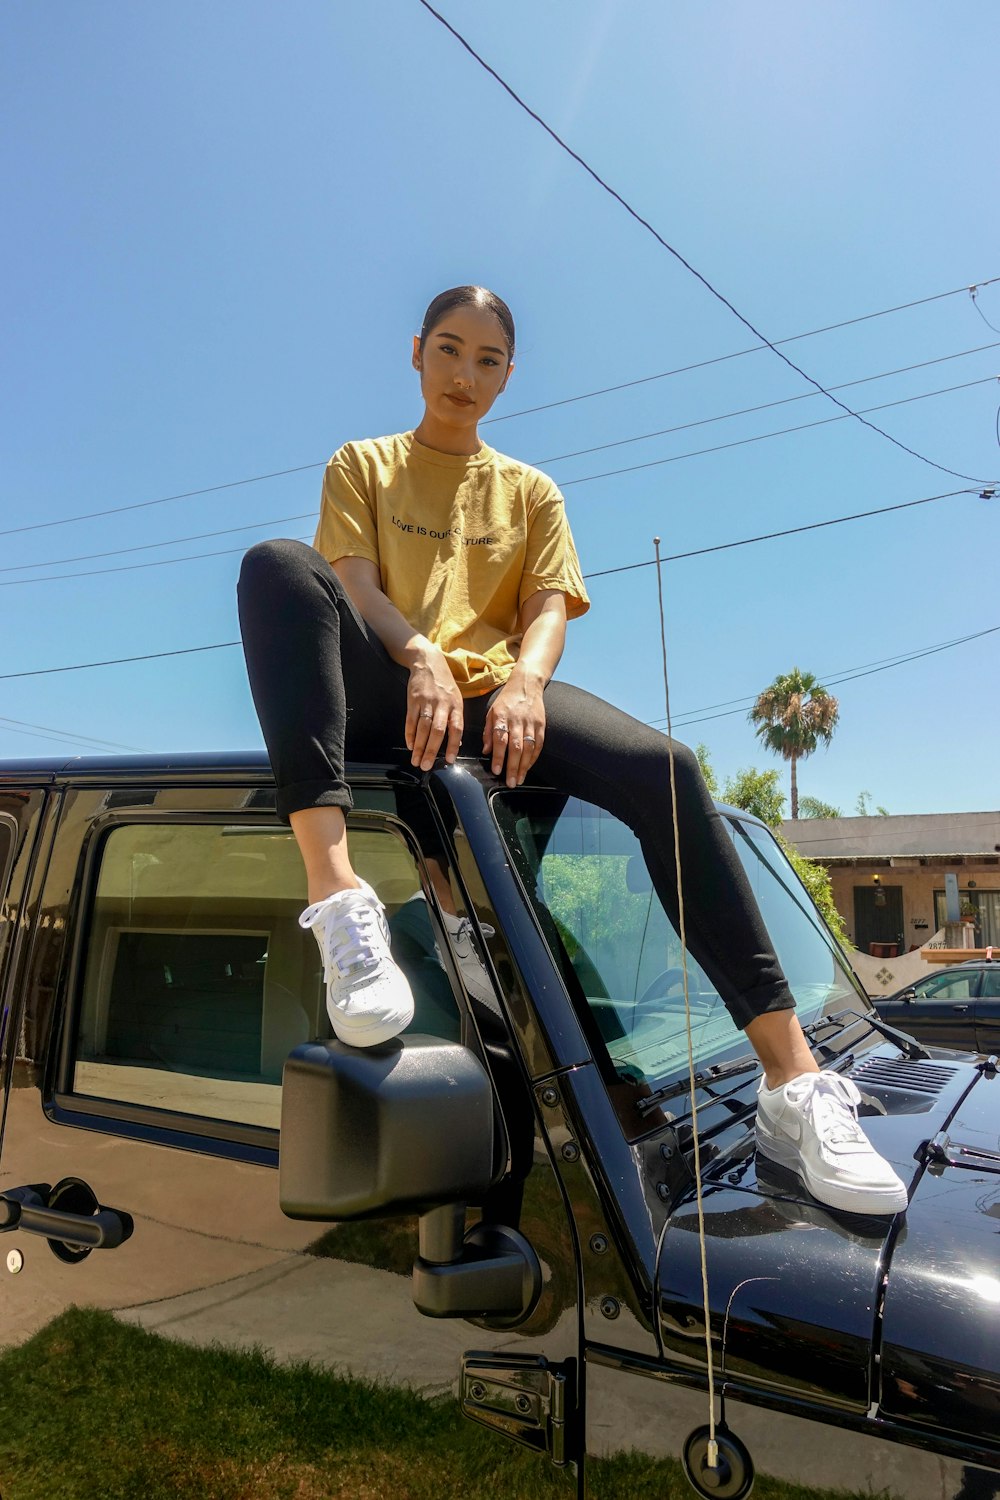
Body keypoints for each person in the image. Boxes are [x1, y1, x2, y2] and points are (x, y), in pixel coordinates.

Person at [237, 284, 907, 1217]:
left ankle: (792, 1086)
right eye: (449, 349)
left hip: (500, 698)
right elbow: (352, 585)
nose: (464, 375)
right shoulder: (366, 464)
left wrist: (521, 682)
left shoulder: (530, 491)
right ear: (417, 353)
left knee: (669, 770)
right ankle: (342, 901)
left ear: (508, 376)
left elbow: (547, 608)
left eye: (487, 360)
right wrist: (422, 651)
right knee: (276, 566)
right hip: (396, 683)